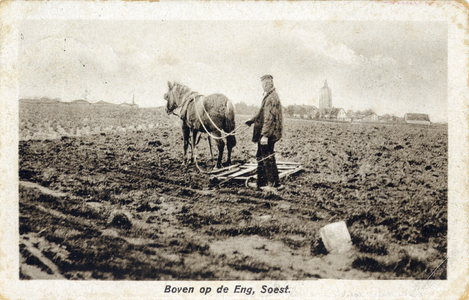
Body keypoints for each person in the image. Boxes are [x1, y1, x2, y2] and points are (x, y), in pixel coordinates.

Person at [245, 75, 283, 191]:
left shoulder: (271, 98)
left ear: (268, 84)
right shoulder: (270, 96)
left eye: (264, 85)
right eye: (263, 85)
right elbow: (261, 112)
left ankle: (270, 184)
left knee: (265, 157)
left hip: (268, 134)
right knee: (264, 156)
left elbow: (269, 118)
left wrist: (265, 135)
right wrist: (251, 120)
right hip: (272, 132)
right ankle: (268, 183)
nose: (263, 87)